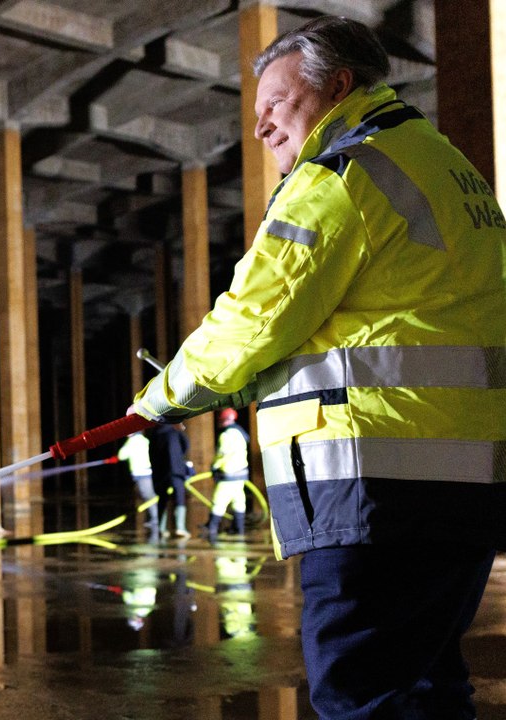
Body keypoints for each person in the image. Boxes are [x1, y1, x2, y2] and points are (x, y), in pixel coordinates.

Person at [130, 16, 506, 719]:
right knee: (424, 686)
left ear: (336, 86)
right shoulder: (441, 165)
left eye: (273, 104)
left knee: (358, 693)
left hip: (377, 488)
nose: (261, 129)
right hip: (463, 483)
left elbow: (254, 317)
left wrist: (157, 401)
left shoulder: (343, 175)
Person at [201, 407, 249, 544]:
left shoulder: (226, 435)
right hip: (241, 474)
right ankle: (239, 529)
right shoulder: (240, 433)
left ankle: (211, 527)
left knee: (219, 501)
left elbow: (223, 455)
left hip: (228, 474)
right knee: (239, 501)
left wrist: (214, 467)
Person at [147, 422, 190, 539]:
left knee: (162, 498)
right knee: (179, 497)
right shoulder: (175, 431)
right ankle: (180, 528)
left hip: (160, 472)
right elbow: (186, 446)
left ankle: (161, 528)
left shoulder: (155, 434)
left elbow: (151, 453)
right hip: (176, 469)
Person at [116, 430, 159, 541]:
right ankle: (154, 519)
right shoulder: (145, 440)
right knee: (149, 496)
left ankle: (155, 520)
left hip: (142, 473)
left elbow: (121, 455)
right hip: (147, 472)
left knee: (149, 497)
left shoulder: (132, 441)